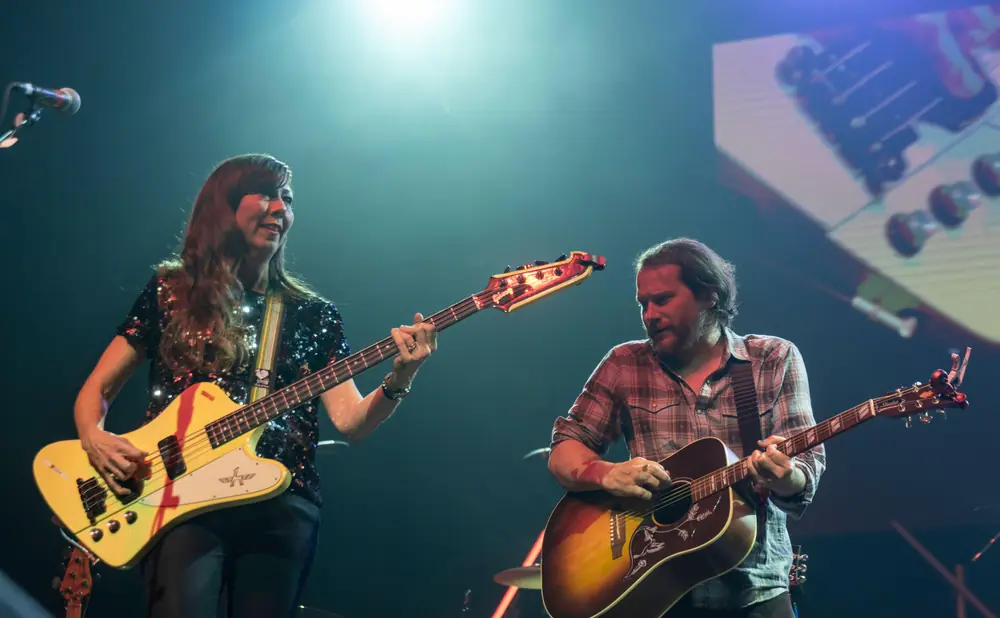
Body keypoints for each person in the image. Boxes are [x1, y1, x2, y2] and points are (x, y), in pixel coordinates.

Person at [72, 154, 438, 618]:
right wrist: (93, 436)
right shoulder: (172, 291)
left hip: (281, 507)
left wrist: (401, 375)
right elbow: (97, 389)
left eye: (286, 199)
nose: (279, 208)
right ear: (223, 205)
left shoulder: (314, 314)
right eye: (266, 193)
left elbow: (351, 422)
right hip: (182, 502)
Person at [547, 238, 825, 618]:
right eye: (643, 304)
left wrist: (786, 476)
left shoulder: (772, 359)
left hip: (756, 592)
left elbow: (804, 470)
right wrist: (608, 474)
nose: (649, 315)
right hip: (655, 593)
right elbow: (565, 447)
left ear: (709, 295)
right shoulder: (625, 363)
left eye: (662, 300)